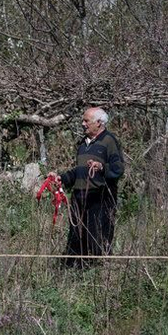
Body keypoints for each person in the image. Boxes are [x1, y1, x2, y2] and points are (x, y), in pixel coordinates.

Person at [48, 106, 125, 265]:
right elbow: (79, 171)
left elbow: (118, 169)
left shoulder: (109, 141)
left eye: (86, 121)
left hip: (101, 198)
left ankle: (99, 272)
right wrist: (61, 178)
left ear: (99, 123)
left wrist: (102, 167)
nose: (83, 124)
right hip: (79, 198)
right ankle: (73, 272)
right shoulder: (83, 143)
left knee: (98, 236)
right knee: (76, 236)